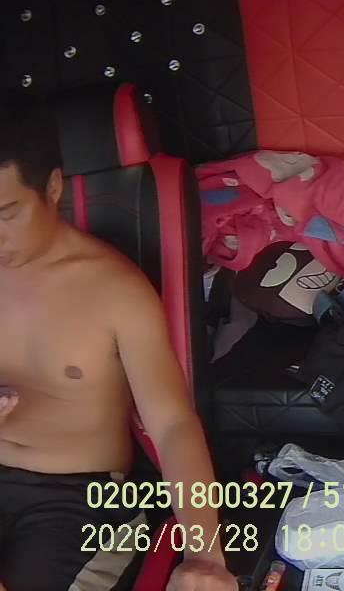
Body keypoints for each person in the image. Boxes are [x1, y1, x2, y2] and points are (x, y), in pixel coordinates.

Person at [0, 106, 237, 591]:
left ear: (53, 188)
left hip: (77, 501)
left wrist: (205, 555)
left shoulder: (115, 291)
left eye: (7, 214)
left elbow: (172, 425)